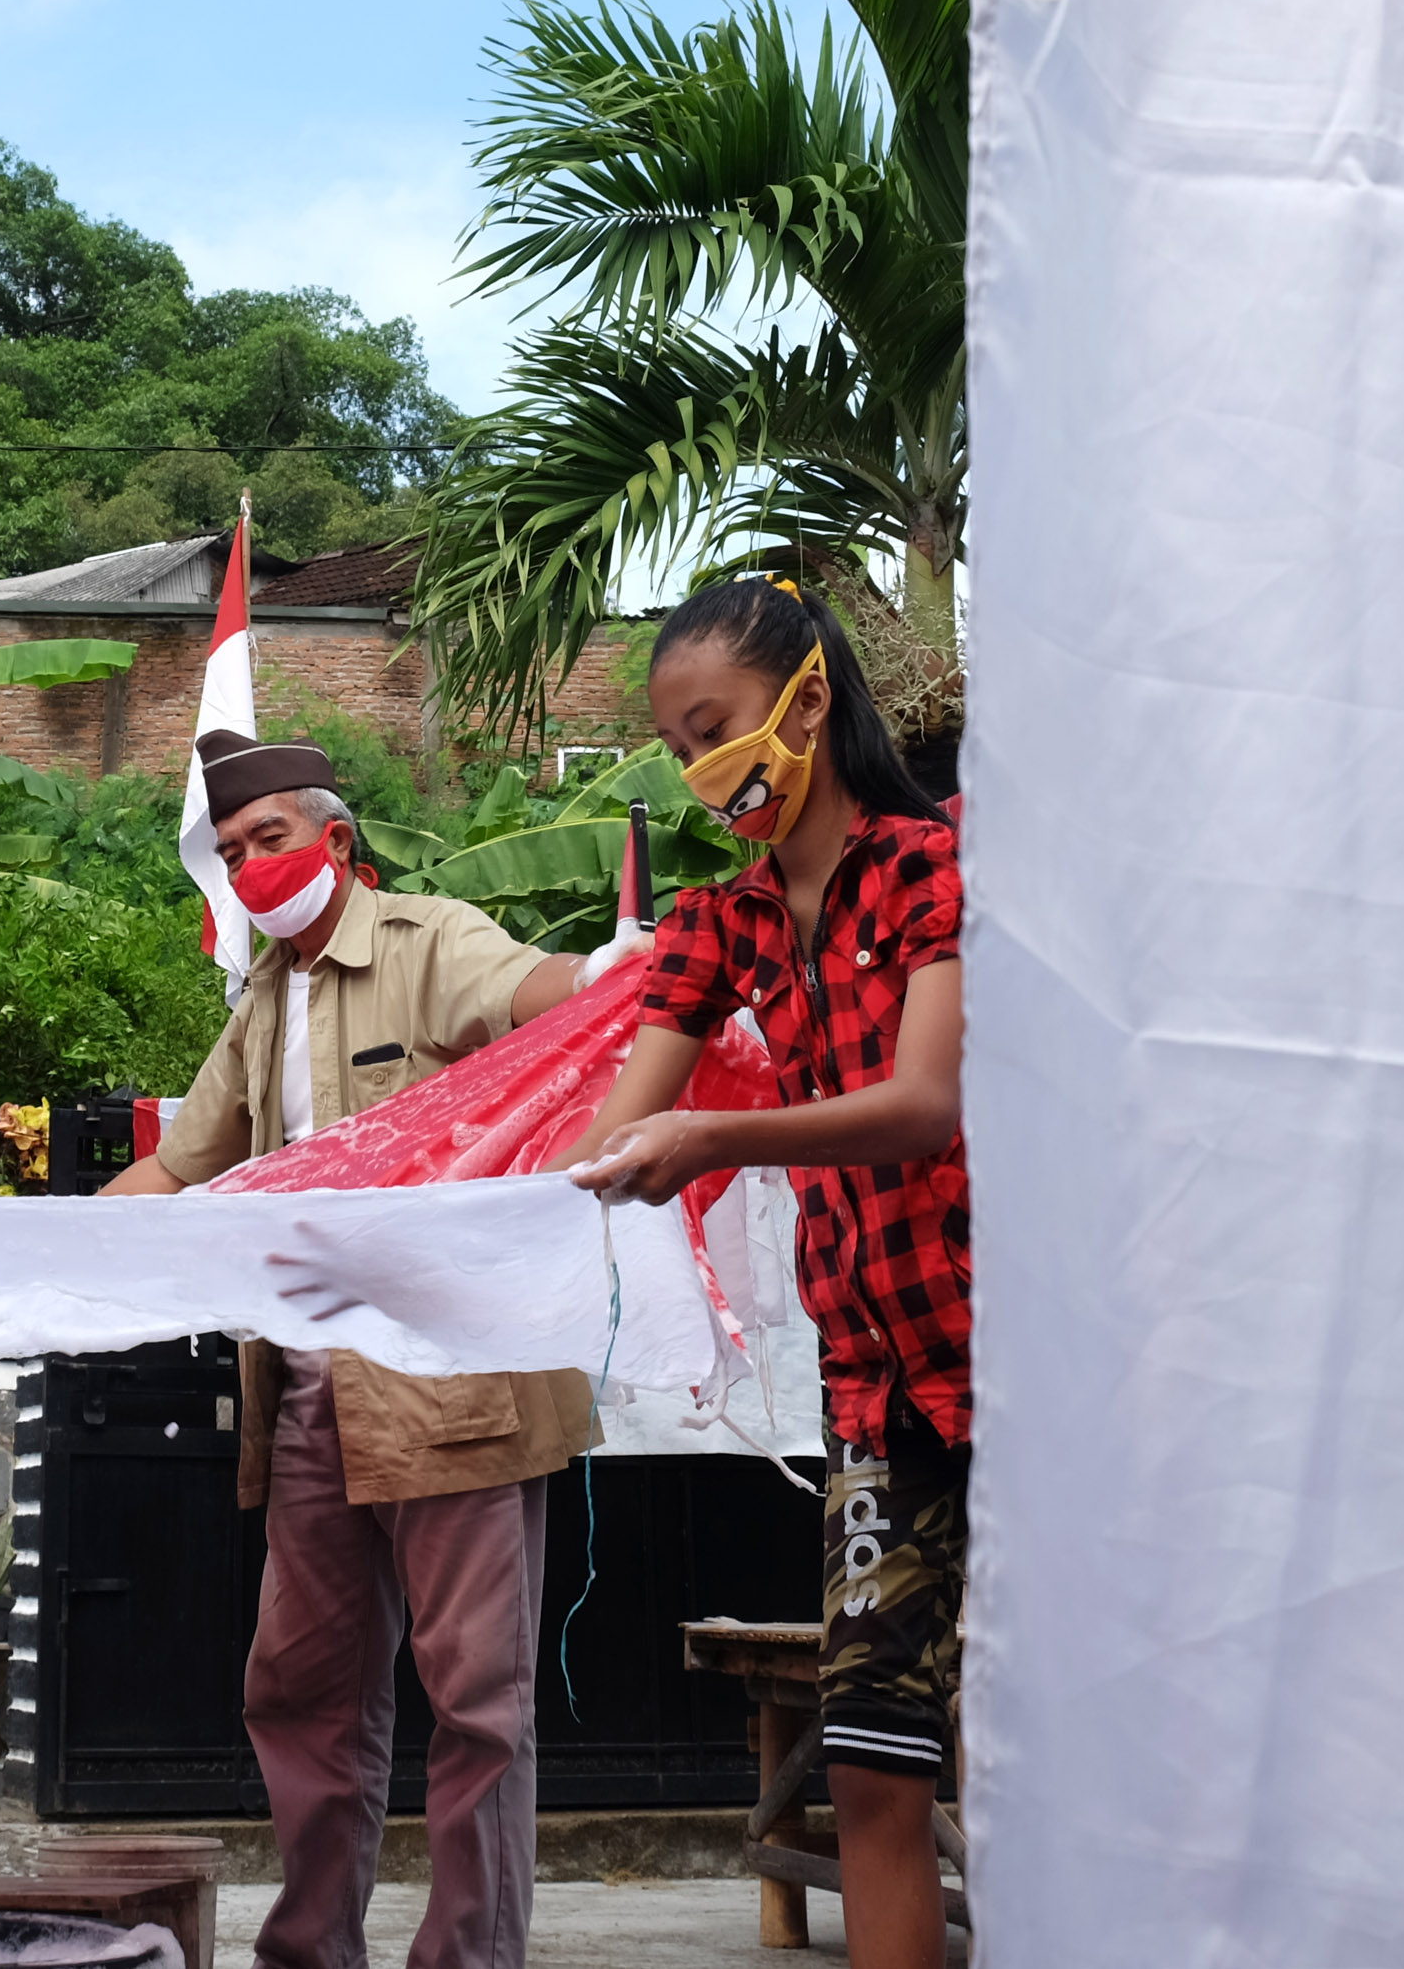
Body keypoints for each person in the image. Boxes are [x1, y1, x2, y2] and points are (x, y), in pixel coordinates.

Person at [102, 730, 645, 1969]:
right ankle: (309, 1954)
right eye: (231, 852)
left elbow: (528, 989)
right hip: (306, 1390)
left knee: (477, 1705)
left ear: (335, 840)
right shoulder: (260, 1003)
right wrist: (32, 1264)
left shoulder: (424, 940)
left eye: (270, 840)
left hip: (454, 1381)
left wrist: (609, 972)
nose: (250, 867)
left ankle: (468, 1957)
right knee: (301, 1691)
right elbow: (181, 1166)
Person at [564, 576, 968, 1969]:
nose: (701, 768)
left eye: (713, 726)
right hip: (879, 1388)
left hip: (1026, 1362)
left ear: (808, 698)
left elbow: (926, 1103)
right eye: (677, 745)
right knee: (870, 1756)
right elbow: (614, 1130)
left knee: (1064, 1740)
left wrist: (717, 1133)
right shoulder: (717, 923)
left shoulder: (933, 867)